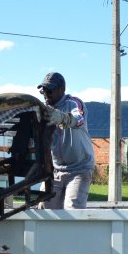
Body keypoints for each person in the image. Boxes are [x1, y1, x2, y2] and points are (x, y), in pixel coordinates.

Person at [38, 71, 95, 209]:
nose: (46, 93)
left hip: (79, 169)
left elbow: (79, 119)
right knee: (44, 208)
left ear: (62, 90)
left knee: (73, 209)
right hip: (55, 170)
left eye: (50, 90)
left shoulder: (74, 103)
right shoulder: (44, 110)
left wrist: (63, 118)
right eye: (44, 90)